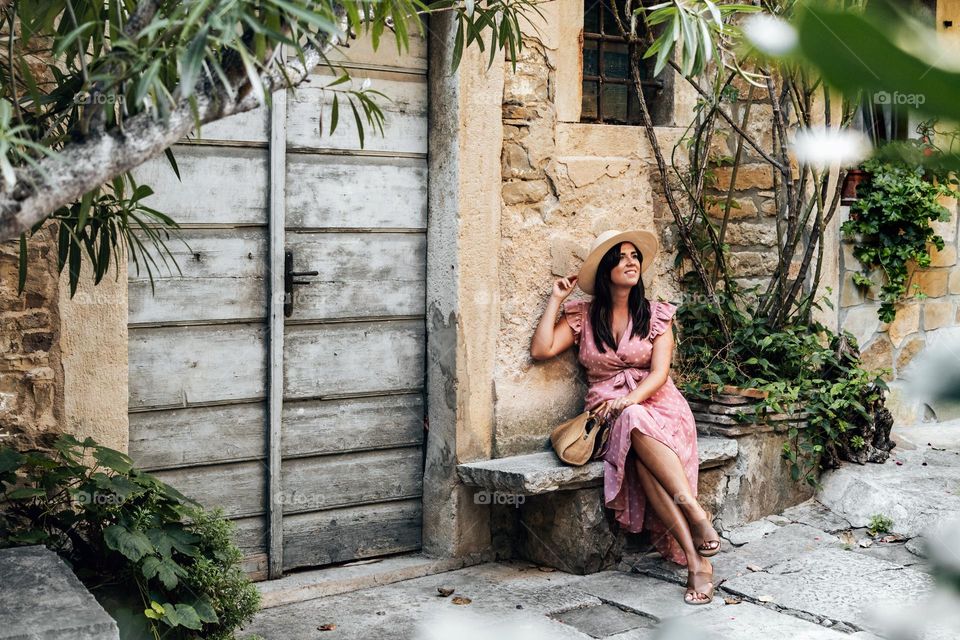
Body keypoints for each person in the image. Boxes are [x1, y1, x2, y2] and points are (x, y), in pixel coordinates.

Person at [530, 229, 721, 605]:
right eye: (621, 257)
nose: (631, 262)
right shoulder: (583, 315)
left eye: (635, 256)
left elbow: (659, 374)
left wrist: (627, 401)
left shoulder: (656, 314)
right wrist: (556, 299)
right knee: (632, 431)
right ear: (606, 269)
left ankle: (697, 562)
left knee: (637, 442)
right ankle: (695, 519)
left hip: (659, 407)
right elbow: (541, 349)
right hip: (608, 419)